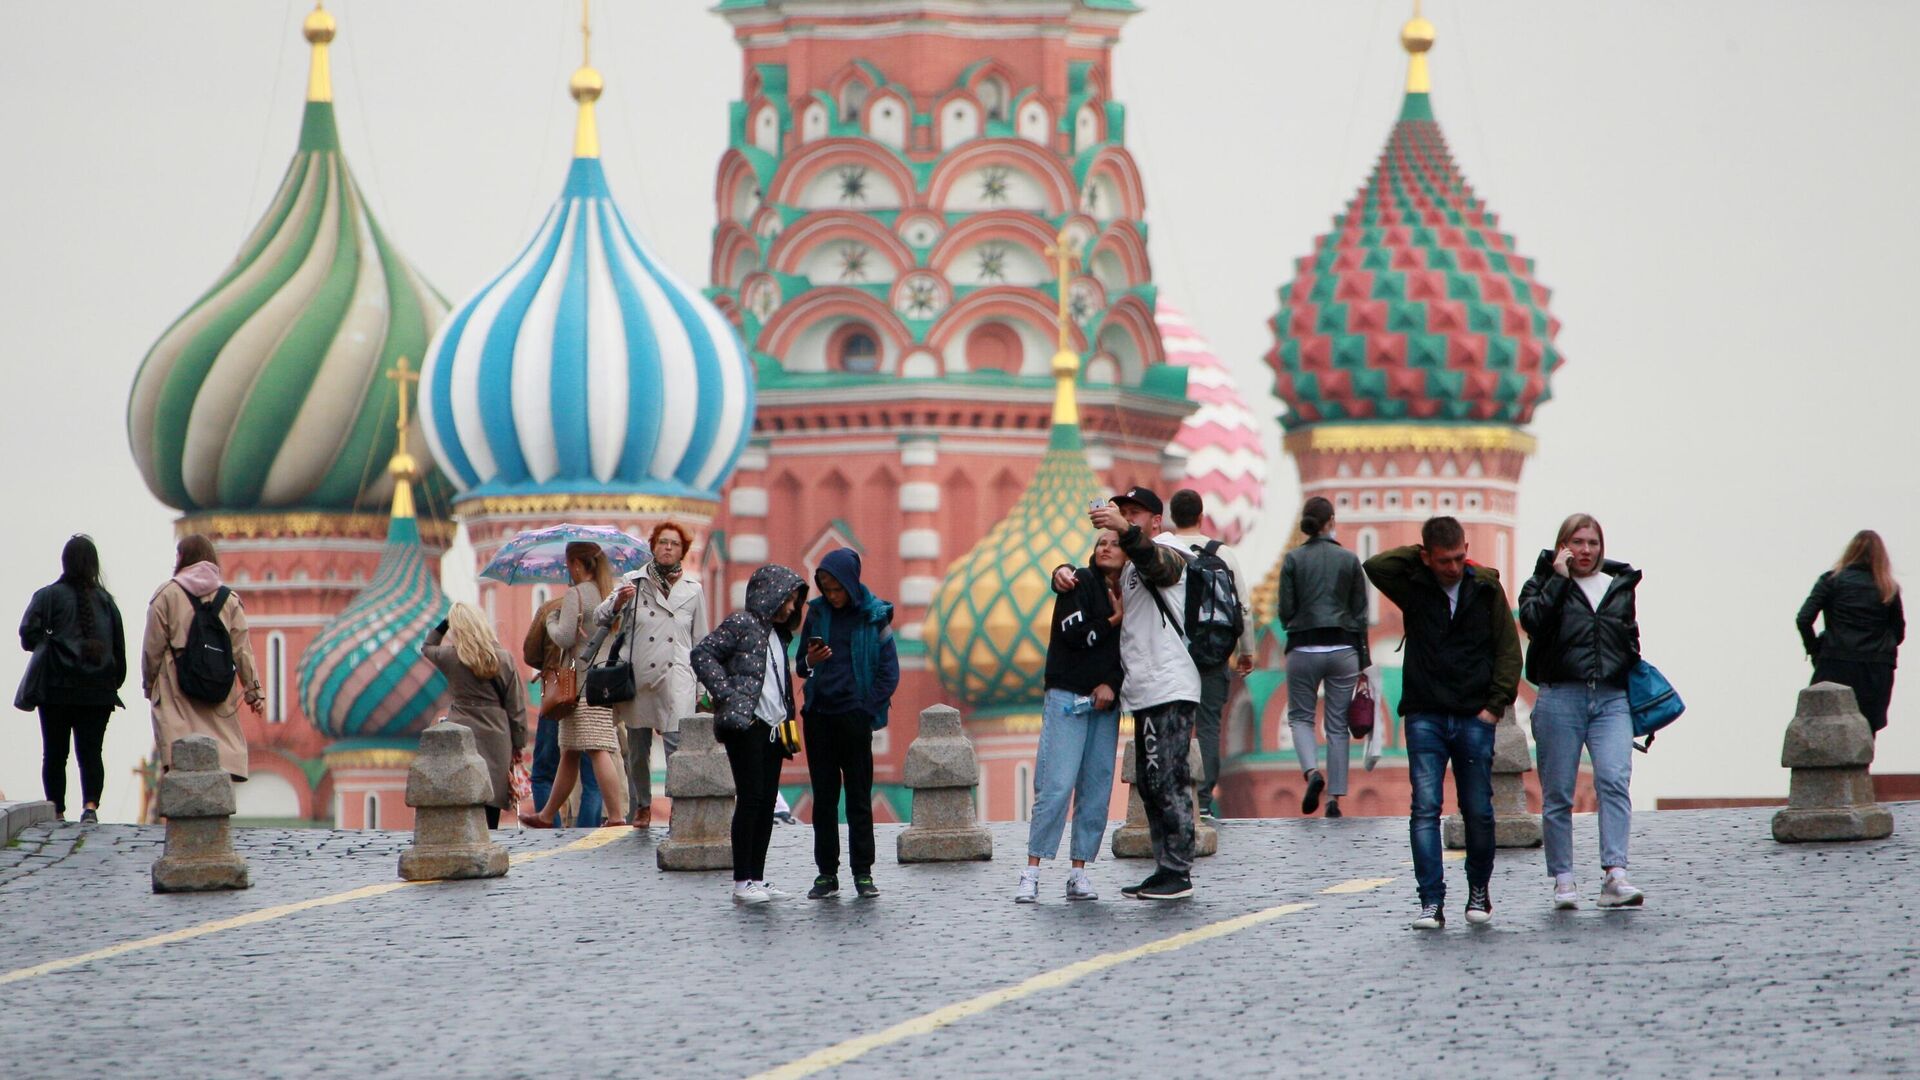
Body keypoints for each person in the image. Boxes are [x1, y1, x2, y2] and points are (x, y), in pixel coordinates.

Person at [1364, 517, 1521, 930]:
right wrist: (1418, 560)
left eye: (1459, 557)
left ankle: (1478, 894)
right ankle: (1431, 902)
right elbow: (1376, 566)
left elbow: (1508, 651)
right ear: (1426, 558)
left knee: (1479, 812)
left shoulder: (1486, 590)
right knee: (1424, 811)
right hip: (1425, 715)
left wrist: (1494, 706)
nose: (1453, 567)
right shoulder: (1413, 586)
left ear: (1467, 549)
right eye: (1444, 560)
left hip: (1473, 716)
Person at [1052, 485, 1200, 901]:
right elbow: (1097, 576)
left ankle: (1178, 872)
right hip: (1145, 690)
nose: (1128, 519)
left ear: (1156, 521)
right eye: (1123, 512)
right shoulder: (1132, 565)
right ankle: (1164, 866)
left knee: (1168, 779)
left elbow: (1162, 567)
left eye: (1136, 513)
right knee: (1152, 781)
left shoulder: (1171, 550)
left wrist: (1125, 530)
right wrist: (1063, 572)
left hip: (1169, 685)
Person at [1518, 514, 1645, 910]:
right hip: (1560, 697)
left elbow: (1629, 635)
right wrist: (1558, 578)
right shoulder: (1541, 583)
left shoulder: (1618, 584)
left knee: (1613, 779)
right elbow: (1532, 621)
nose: (1585, 550)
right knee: (1557, 793)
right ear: (1562, 546)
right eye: (1577, 542)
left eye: (1592, 542)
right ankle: (1564, 880)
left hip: (1610, 698)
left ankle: (1615, 875)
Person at [1018, 531, 1126, 903]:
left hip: (1105, 703)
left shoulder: (1135, 591)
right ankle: (1031, 871)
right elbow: (1074, 634)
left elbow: (1131, 651)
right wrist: (1113, 620)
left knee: (1096, 788)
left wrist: (1111, 684)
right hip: (1067, 694)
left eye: (1114, 542)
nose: (1106, 548)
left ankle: (1078, 872)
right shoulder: (1078, 582)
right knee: (1057, 784)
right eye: (1100, 543)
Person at [691, 564, 808, 905]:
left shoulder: (777, 634)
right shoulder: (742, 623)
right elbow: (703, 653)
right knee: (751, 799)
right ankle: (742, 882)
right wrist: (725, 693)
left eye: (794, 602)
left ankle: (756, 877)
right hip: (747, 726)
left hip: (774, 728)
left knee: (767, 802)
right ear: (768, 594)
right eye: (787, 599)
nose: (791, 607)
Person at [796, 548, 899, 900]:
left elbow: (889, 671)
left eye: (837, 588)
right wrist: (810, 660)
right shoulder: (817, 613)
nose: (832, 595)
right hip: (819, 717)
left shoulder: (874, 616)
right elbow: (799, 665)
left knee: (858, 797)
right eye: (825, 588)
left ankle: (863, 873)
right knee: (823, 799)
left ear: (851, 584)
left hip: (854, 718)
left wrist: (867, 710)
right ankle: (826, 874)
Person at [599, 522, 708, 828]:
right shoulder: (632, 582)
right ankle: (642, 806)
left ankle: (678, 807)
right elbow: (601, 616)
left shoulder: (693, 590)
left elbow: (700, 641)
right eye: (662, 542)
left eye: (674, 543)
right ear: (653, 546)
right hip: (640, 677)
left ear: (682, 551)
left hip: (677, 679)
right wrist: (619, 600)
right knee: (637, 750)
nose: (667, 547)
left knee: (677, 748)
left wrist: (701, 689)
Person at [1159, 489, 1255, 819]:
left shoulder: (1162, 549)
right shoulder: (1222, 553)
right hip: (1213, 654)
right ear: (1201, 517)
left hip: (1172, 653)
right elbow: (1242, 606)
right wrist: (1247, 651)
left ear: (1173, 517)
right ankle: (1203, 800)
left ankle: (1174, 795)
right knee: (1209, 725)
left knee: (1175, 724)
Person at [19, 535, 127, 824]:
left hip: (55, 689)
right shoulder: (107, 603)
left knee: (55, 753)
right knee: (91, 753)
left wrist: (49, 643)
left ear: (64, 562)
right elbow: (120, 655)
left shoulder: (47, 597)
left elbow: (27, 637)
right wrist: (110, 684)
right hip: (98, 693)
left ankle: (57, 810)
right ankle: (90, 806)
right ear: (94, 564)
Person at [521, 542, 627, 828]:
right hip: (601, 681)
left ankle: (616, 816)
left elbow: (565, 638)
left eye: (569, 566)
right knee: (569, 752)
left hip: (580, 685)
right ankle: (546, 815)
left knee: (596, 749)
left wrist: (551, 621)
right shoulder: (608, 593)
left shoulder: (576, 594)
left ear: (577, 565)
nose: (568, 571)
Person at [141, 535, 262, 782]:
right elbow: (242, 650)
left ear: (183, 558)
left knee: (180, 762)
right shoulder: (229, 600)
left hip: (176, 690)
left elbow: (152, 648)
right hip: (217, 689)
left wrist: (149, 684)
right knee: (217, 759)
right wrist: (253, 691)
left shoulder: (166, 595)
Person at [1278, 497, 1371, 819]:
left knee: (1301, 717)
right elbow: (1360, 613)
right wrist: (1363, 659)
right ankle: (1335, 799)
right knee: (1336, 725)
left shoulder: (1293, 559)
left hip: (1303, 647)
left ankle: (1311, 773)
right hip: (1343, 649)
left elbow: (1285, 610)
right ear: (1331, 521)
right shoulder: (1348, 559)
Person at [423, 602, 527, 830]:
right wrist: (518, 743)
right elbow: (516, 706)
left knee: (466, 794)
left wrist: (446, 622)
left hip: (461, 733)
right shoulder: (504, 658)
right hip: (497, 735)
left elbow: (427, 646)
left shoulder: (450, 656)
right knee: (491, 800)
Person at [1797, 530, 1904, 735]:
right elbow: (1898, 633)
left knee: (1823, 727)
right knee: (1865, 729)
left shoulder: (1831, 581)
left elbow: (1803, 619)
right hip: (1876, 669)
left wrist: (1815, 650)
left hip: (1835, 662)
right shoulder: (1888, 588)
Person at [525, 592, 603, 826]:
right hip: (592, 693)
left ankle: (550, 828)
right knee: (592, 776)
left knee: (543, 772)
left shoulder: (551, 608)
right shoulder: (604, 607)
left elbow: (530, 653)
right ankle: (587, 833)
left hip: (557, 695)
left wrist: (551, 665)